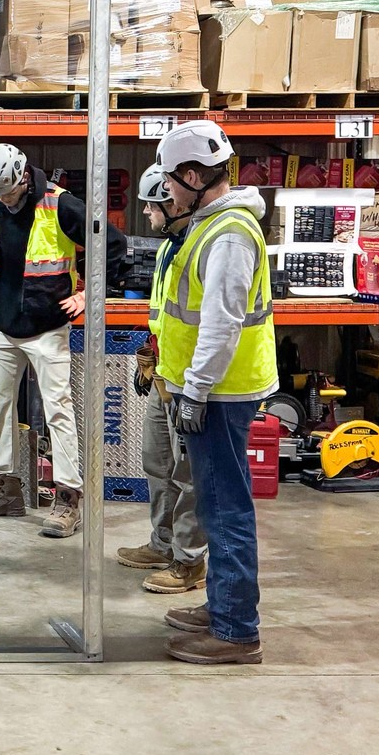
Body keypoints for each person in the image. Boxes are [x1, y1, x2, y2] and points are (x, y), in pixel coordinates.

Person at [154, 120, 275, 665]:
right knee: (216, 503)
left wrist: (196, 392)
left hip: (222, 394)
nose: (168, 193)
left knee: (226, 509)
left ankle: (235, 631)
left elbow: (222, 324)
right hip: (211, 390)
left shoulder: (228, 233)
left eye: (172, 182)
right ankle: (222, 604)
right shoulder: (210, 223)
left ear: (195, 174)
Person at [0, 143, 127, 538]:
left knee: (58, 411)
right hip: (1, 327)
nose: (3, 201)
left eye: (7, 192)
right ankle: (5, 488)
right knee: (1, 410)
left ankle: (68, 499)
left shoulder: (61, 205)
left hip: (46, 327)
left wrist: (89, 295)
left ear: (24, 177)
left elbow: (112, 243)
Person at [118, 164, 207, 595]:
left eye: (152, 205)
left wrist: (196, 387)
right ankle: (164, 543)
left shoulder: (199, 246)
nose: (147, 214)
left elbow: (213, 324)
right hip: (164, 375)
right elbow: (167, 315)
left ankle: (189, 562)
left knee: (189, 475)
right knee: (158, 464)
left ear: (172, 204)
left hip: (190, 382)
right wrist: (150, 356)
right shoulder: (170, 248)